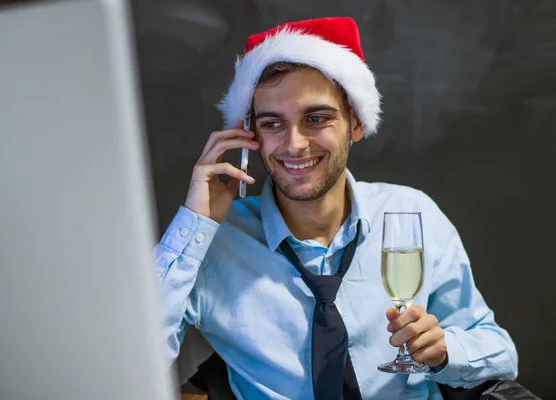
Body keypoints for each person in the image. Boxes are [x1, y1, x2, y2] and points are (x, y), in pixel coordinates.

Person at [154, 17, 518, 400]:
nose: (294, 144)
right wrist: (192, 223)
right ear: (251, 135)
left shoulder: (413, 214)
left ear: (356, 123)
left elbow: (499, 352)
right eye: (273, 123)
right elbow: (129, 357)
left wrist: (446, 351)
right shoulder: (213, 242)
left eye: (316, 118)